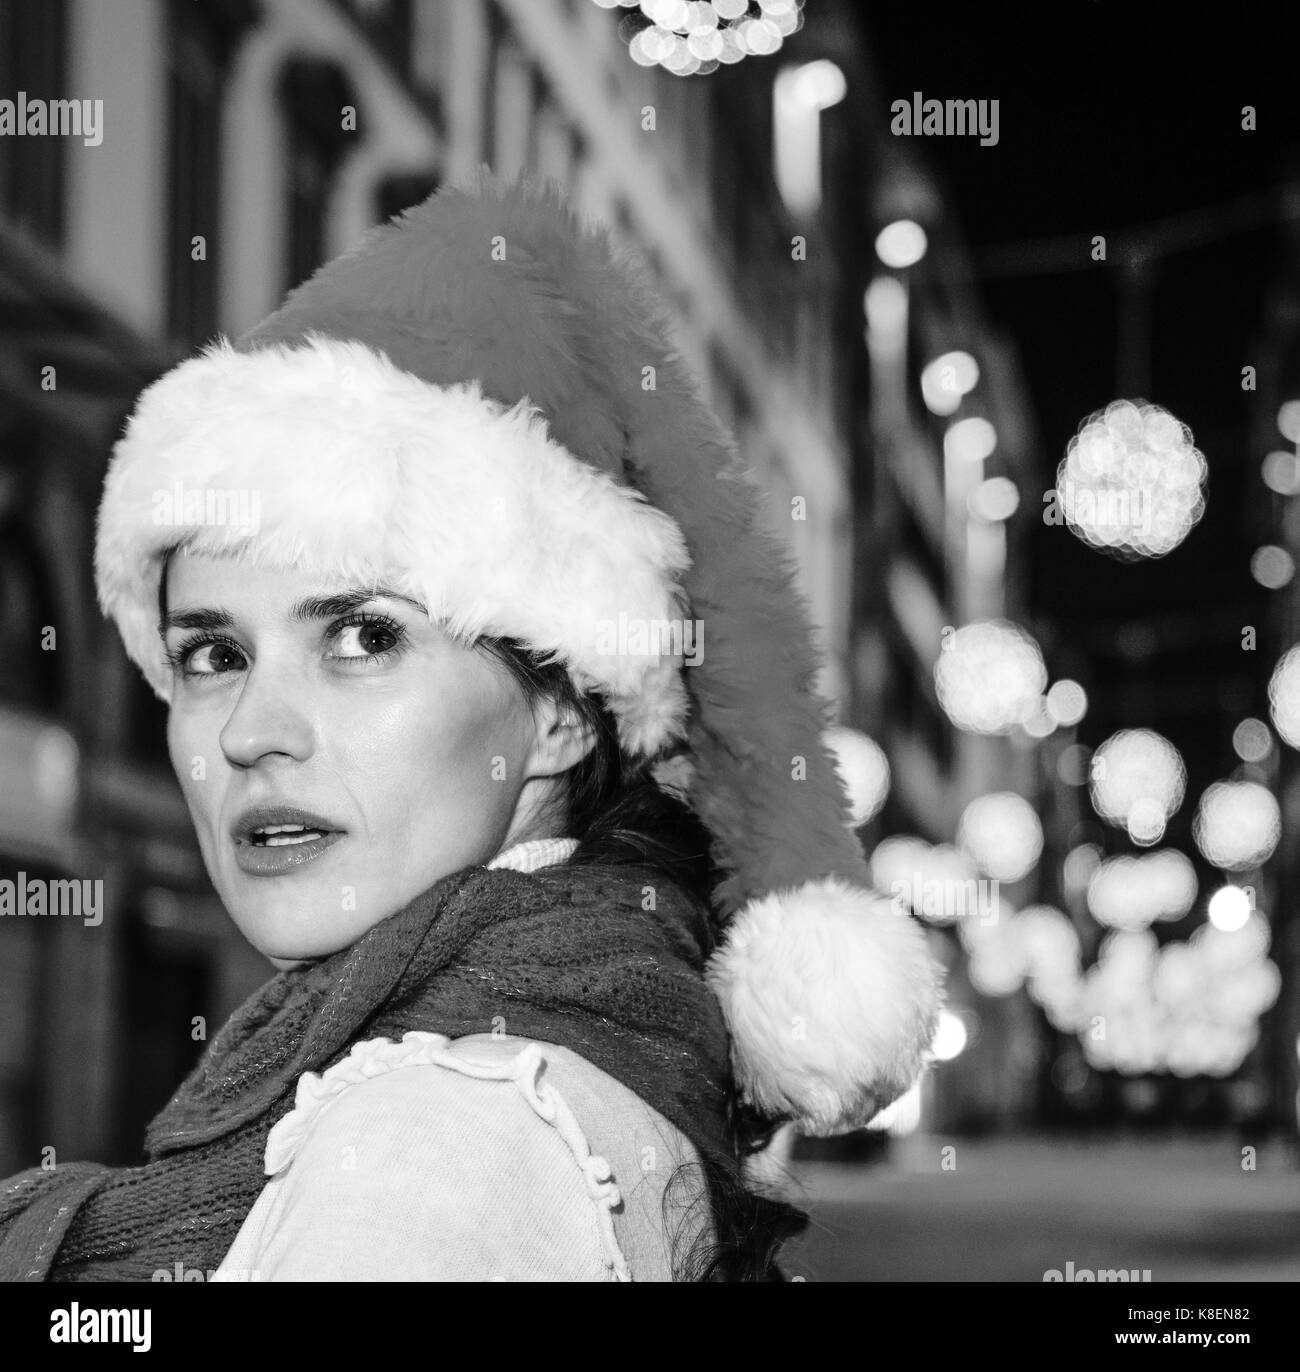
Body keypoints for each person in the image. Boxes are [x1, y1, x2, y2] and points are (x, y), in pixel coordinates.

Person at [0, 173, 941, 1282]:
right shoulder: (576, 1043)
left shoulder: (433, 1148)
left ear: (556, 714)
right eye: (214, 654)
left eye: (362, 638)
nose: (252, 729)